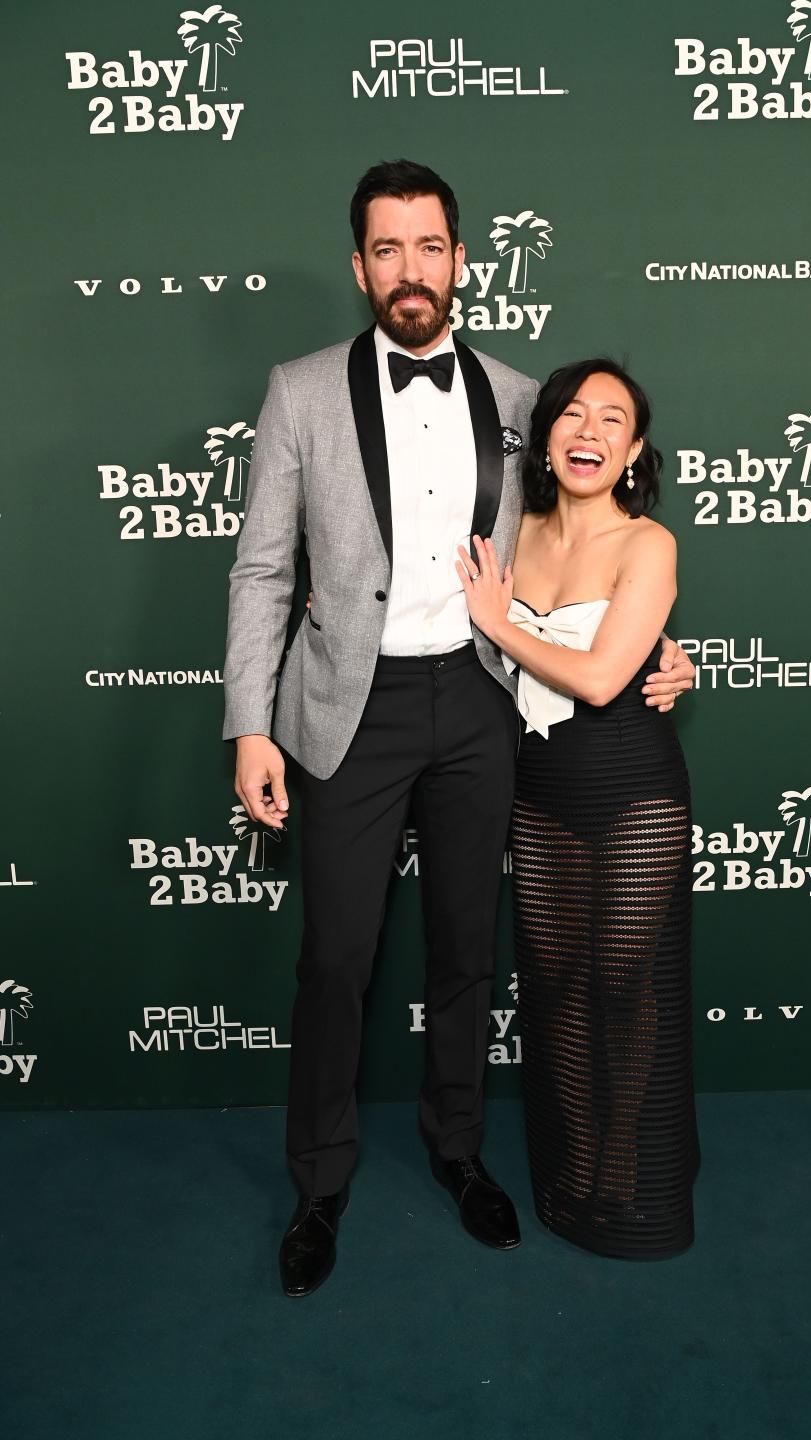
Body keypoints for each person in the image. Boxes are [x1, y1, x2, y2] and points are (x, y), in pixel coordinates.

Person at [223, 160, 695, 1298]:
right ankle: (320, 1184)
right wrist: (250, 725)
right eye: (386, 250)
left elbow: (596, 522)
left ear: (460, 261)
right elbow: (262, 568)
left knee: (466, 953)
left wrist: (658, 653)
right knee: (336, 957)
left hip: (485, 706)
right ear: (359, 268)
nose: (409, 271)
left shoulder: (525, 396)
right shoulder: (298, 392)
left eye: (429, 248)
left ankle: (458, 1151)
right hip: (348, 708)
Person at [456, 359, 697, 1259]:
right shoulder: (511, 534)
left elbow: (600, 678)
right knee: (556, 987)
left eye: (612, 420)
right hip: (539, 791)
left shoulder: (648, 544)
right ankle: (573, 1168)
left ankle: (626, 1170)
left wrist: (502, 623)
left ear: (633, 450)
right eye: (571, 415)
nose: (588, 431)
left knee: (623, 985)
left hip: (632, 785)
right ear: (546, 437)